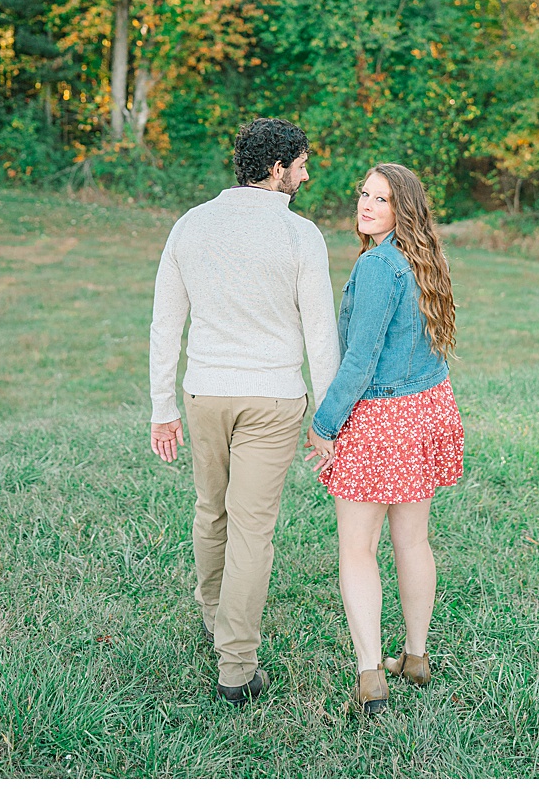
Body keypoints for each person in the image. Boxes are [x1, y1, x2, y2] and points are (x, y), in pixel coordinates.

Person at [149, 117, 340, 703]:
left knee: (213, 512)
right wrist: (328, 419)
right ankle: (236, 667)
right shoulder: (301, 236)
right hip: (273, 399)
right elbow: (320, 335)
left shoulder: (190, 225)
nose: (306, 176)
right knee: (252, 528)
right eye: (302, 165)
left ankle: (215, 618)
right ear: (277, 169)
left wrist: (163, 407)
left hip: (204, 394)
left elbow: (166, 324)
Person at [305, 162, 464, 716]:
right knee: (413, 541)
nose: (367, 205)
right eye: (363, 194)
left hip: (382, 420)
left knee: (358, 549)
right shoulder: (425, 258)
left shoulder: (378, 267)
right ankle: (415, 657)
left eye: (382, 199)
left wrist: (324, 425)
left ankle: (371, 673)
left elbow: (360, 361)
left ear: (404, 209)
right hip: (426, 409)